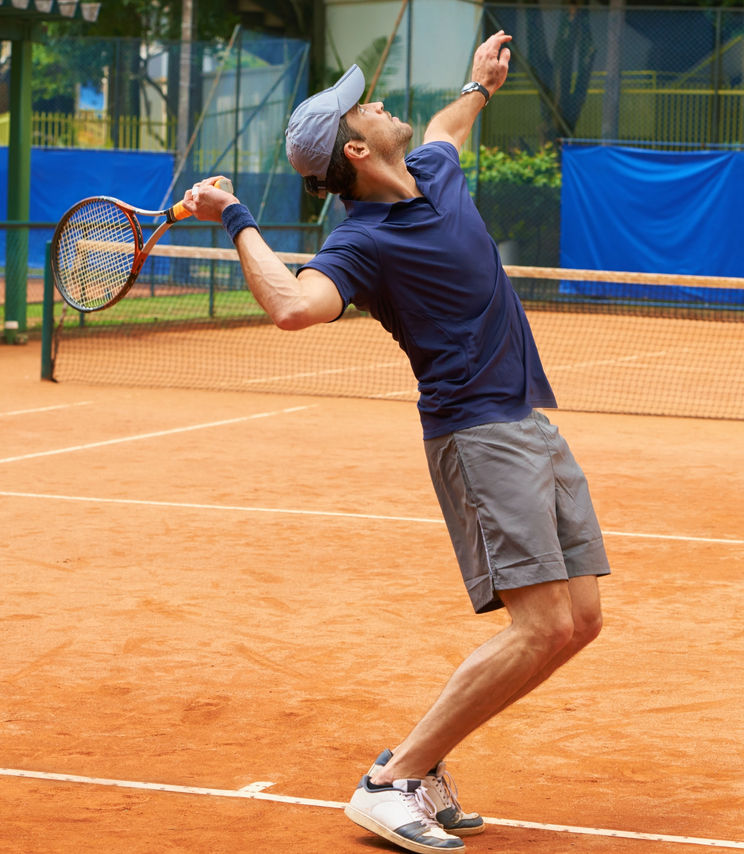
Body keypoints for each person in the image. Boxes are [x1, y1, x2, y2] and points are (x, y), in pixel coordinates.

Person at [181, 31, 610, 854]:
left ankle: (426, 767)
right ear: (354, 144)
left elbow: (447, 127)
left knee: (580, 620)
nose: (380, 103)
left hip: (529, 418)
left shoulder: (436, 173)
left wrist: (479, 85)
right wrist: (235, 217)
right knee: (540, 626)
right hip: (478, 435)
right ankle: (389, 782)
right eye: (365, 105)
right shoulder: (360, 244)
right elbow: (292, 307)